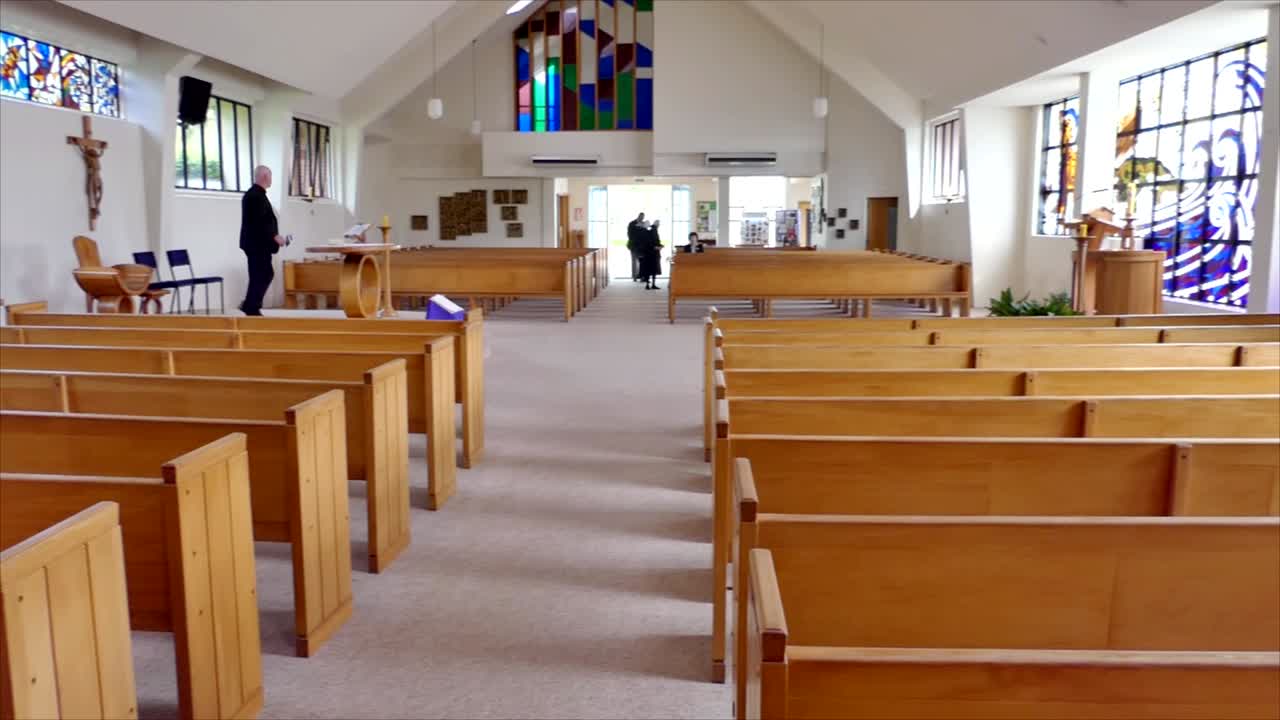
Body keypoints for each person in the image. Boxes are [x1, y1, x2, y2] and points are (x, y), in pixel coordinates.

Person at [238, 165, 286, 316]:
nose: (271, 179)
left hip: (256, 244)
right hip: (257, 245)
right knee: (263, 274)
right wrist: (274, 236)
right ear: (265, 177)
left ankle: (250, 305)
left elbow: (262, 220)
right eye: (270, 176)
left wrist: (273, 236)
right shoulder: (256, 196)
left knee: (260, 275)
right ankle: (251, 307)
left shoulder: (256, 194)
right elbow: (260, 221)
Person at [640, 219, 664, 290]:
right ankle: (648, 284)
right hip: (648, 254)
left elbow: (656, 241)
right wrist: (655, 247)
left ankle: (652, 284)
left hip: (654, 253)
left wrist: (660, 246)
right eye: (657, 223)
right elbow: (647, 243)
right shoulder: (648, 231)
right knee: (648, 269)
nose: (658, 225)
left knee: (654, 270)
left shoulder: (653, 230)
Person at [626, 212, 647, 281]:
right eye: (641, 217)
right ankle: (634, 276)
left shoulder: (644, 224)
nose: (642, 219)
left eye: (643, 218)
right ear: (638, 216)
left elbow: (646, 234)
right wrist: (637, 228)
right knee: (634, 261)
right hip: (634, 245)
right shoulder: (632, 223)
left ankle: (641, 276)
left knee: (642, 262)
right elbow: (629, 234)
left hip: (642, 246)